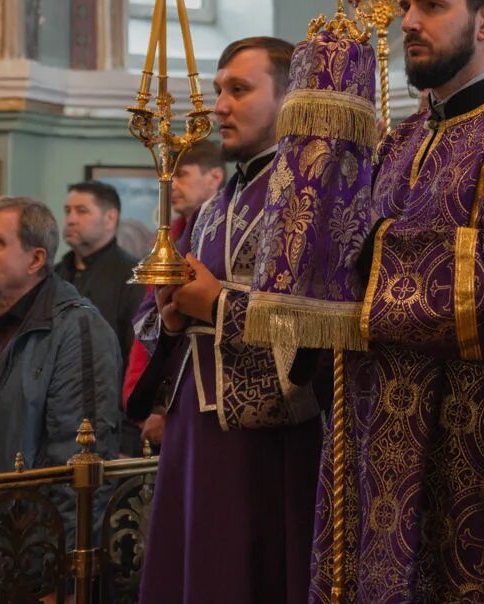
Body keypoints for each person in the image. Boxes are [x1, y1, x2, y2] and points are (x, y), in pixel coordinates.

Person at [311, 0, 484, 603]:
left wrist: (370, 261)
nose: (409, 22)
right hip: (371, 422)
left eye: (431, 6)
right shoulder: (400, 138)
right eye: (405, 7)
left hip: (466, 431)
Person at [137, 37, 321, 604]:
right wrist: (169, 318)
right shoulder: (212, 209)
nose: (219, 106)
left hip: (270, 443)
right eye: (218, 90)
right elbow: (151, 323)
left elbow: (328, 322)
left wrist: (218, 305)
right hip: (194, 431)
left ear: (290, 99)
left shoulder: (311, 198)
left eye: (239, 90)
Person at [0, 195, 120, 546]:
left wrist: (66, 575)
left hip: (31, 557)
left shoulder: (76, 329)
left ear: (36, 258)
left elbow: (81, 467)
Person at [123, 138, 225, 450]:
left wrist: (164, 406)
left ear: (214, 177)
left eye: (183, 174)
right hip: (152, 398)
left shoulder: (220, 237)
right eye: (169, 176)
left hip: (193, 404)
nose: (173, 185)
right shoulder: (173, 236)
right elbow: (151, 316)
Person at [58, 179, 140, 456]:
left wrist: (129, 439)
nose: (70, 219)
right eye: (67, 211)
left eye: (82, 211)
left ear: (110, 218)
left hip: (110, 428)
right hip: (58, 422)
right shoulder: (55, 276)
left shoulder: (133, 276)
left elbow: (136, 357)